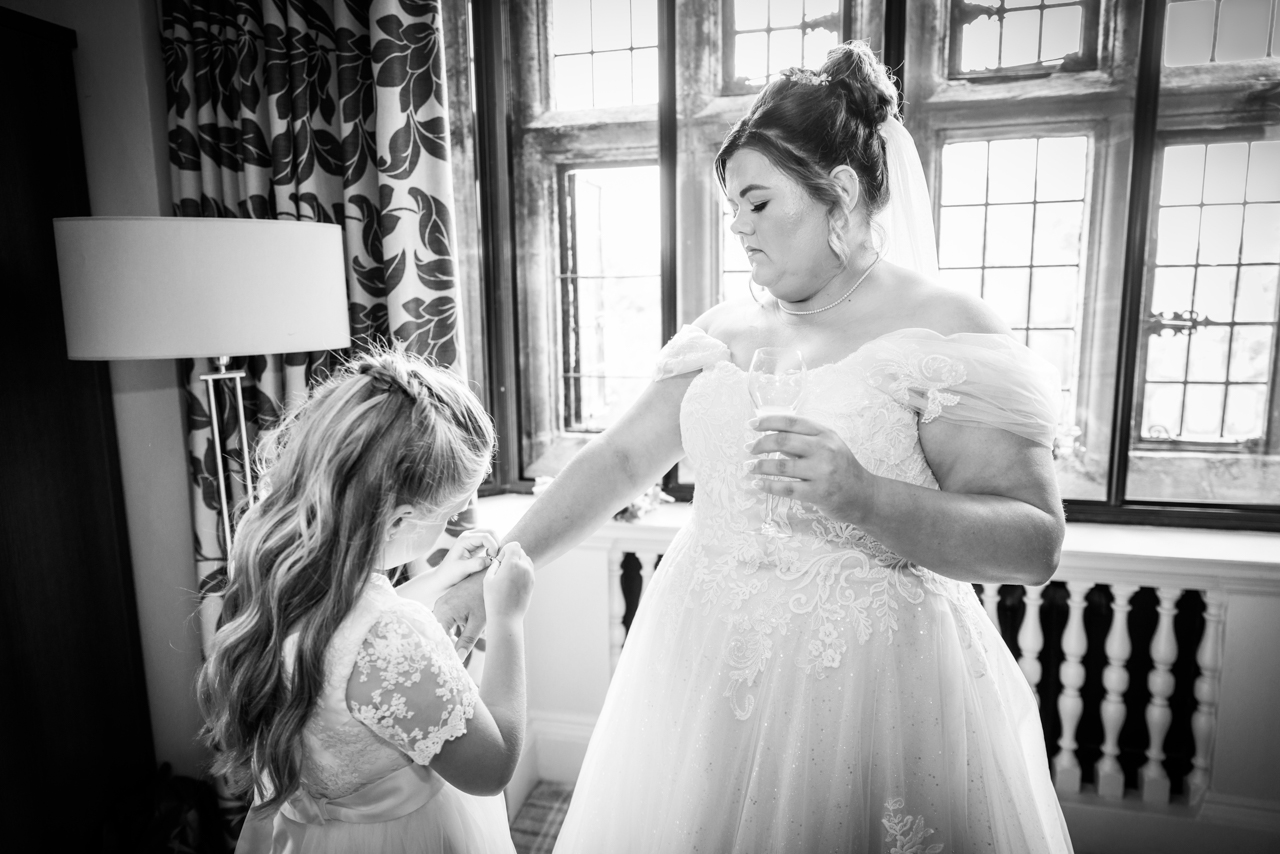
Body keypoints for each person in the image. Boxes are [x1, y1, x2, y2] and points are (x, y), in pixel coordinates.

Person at [438, 40, 1075, 853]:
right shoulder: (722, 329)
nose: (738, 226)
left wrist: (865, 496)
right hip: (702, 661)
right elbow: (619, 461)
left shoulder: (947, 329)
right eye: (732, 206)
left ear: (840, 192)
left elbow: (1032, 543)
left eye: (758, 202)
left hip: (865, 688)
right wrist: (496, 569)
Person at [198, 350, 534, 854]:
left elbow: (343, 642)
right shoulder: (389, 639)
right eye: (448, 515)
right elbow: (492, 767)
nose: (451, 524)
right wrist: (508, 618)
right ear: (398, 522)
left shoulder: (273, 561)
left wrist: (440, 577)